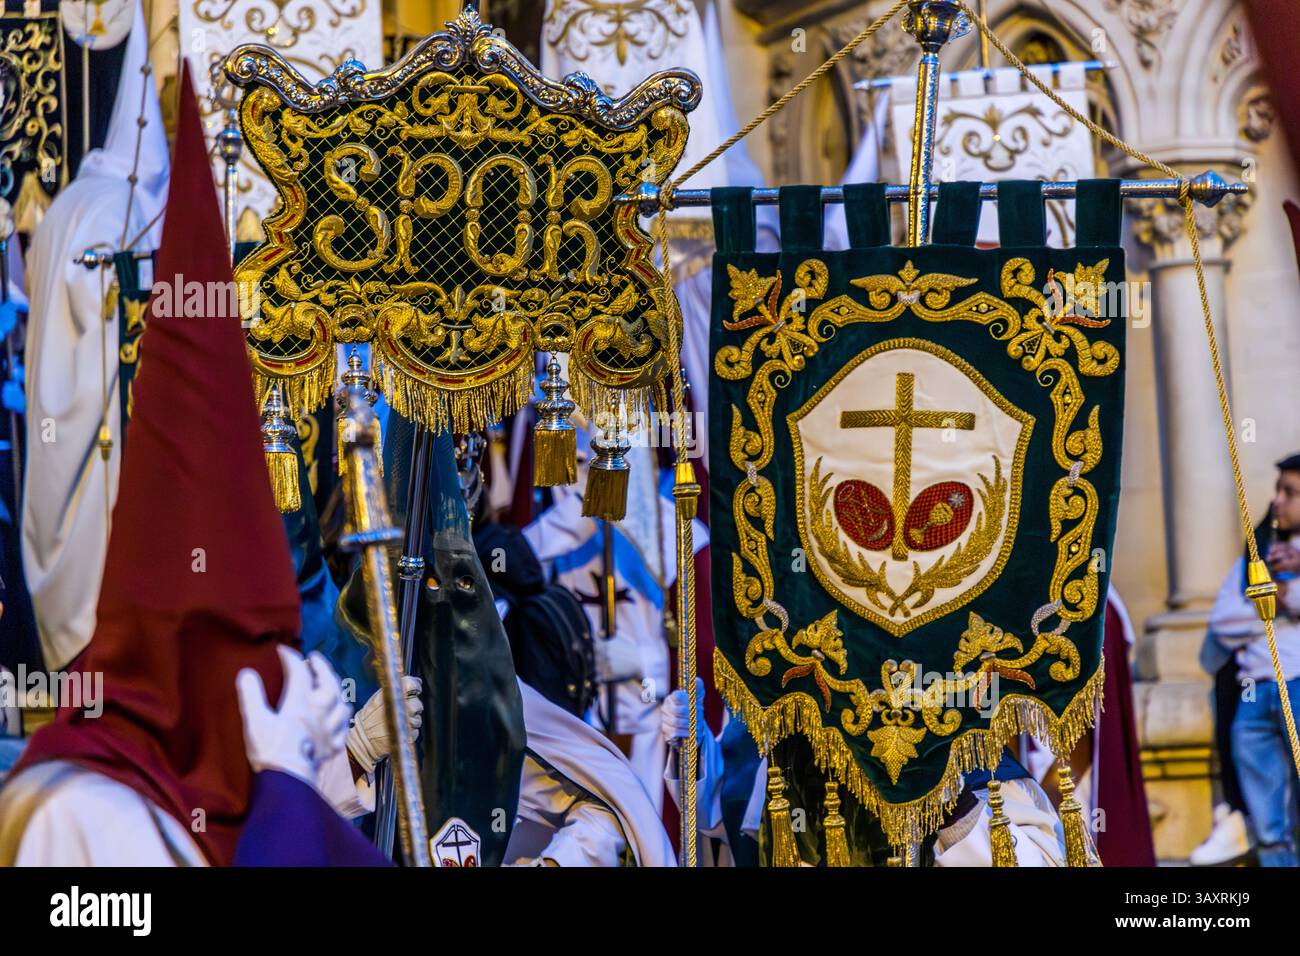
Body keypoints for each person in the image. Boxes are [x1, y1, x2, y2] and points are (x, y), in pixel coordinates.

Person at [1207, 452, 1300, 866]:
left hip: (1296, 684)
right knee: (1268, 824)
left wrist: (1286, 596)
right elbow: (1223, 621)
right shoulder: (1257, 554)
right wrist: (1279, 606)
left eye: (1290, 493)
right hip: (1254, 693)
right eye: (1278, 490)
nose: (1277, 501)